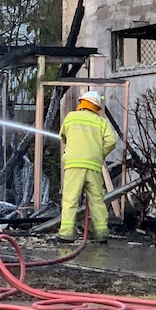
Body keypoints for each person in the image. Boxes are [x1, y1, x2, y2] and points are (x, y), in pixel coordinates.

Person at [57, 90, 117, 243]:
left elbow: (62, 136)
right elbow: (112, 141)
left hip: (73, 164)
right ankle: (102, 234)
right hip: (93, 165)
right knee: (97, 200)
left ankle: (66, 234)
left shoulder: (71, 117)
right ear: (96, 107)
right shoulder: (101, 122)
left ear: (81, 103)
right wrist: (99, 154)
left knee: (70, 199)